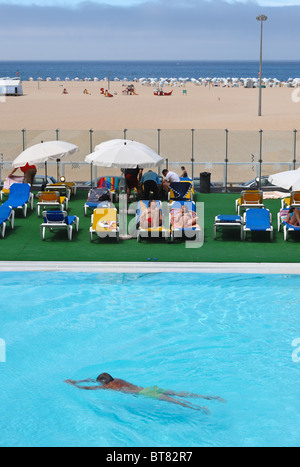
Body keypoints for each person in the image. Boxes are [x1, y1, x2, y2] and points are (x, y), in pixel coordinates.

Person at [65, 373, 226, 413]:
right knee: (179, 393)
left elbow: (91, 387)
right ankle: (210, 397)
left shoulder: (108, 387)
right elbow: (93, 380)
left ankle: (200, 408)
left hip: (148, 394)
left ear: (104, 383)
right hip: (150, 388)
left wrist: (75, 384)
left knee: (175, 401)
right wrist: (80, 380)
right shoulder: (117, 380)